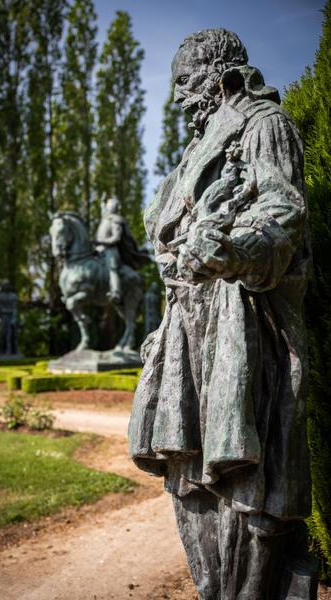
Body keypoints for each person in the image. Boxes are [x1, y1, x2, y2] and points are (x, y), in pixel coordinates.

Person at [128, 28, 316, 599]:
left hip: (242, 320)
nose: (179, 95)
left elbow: (282, 211)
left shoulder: (263, 126)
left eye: (186, 81)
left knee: (246, 479)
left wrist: (235, 250)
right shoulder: (195, 148)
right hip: (187, 326)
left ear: (220, 74)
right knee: (186, 474)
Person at [95, 197, 151, 304]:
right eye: (108, 204)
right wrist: (102, 202)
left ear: (115, 207)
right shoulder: (106, 217)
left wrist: (102, 241)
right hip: (99, 250)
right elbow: (103, 211)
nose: (108, 206)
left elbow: (116, 238)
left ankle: (115, 291)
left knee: (112, 269)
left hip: (111, 250)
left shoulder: (117, 220)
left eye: (110, 204)